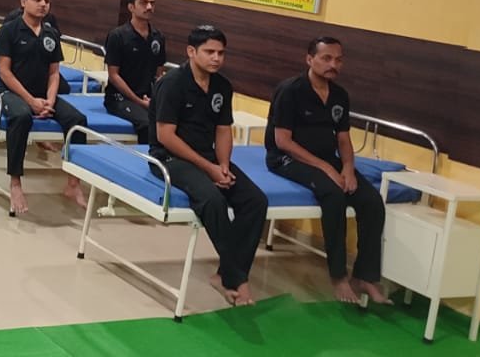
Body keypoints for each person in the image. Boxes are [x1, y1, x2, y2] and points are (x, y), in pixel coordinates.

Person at [265, 37, 390, 306]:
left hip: (326, 158)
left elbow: (343, 139)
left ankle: (365, 276)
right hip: (286, 158)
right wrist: (325, 168)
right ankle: (338, 276)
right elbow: (282, 141)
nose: (333, 64)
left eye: (338, 60)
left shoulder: (339, 95)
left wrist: (348, 168)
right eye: (326, 58)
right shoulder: (290, 91)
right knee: (333, 194)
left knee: (372, 201)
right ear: (310, 59)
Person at [150, 25, 267, 306]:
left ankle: (224, 274)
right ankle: (237, 279)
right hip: (169, 158)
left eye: (221, 53)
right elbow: (166, 136)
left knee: (255, 201)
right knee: (212, 200)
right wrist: (209, 168)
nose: (216, 58)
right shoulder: (172, 83)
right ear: (191, 52)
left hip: (209, 157)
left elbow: (223, 130)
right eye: (209, 52)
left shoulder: (222, 86)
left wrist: (223, 164)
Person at [0, 0, 89, 215]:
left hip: (43, 95)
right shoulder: (9, 31)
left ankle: (73, 183)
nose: (43, 4)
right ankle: (15, 183)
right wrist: (31, 101)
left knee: (78, 120)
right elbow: (5, 72)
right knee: (21, 117)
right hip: (11, 93)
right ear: (23, 1)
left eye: (47, 1)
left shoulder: (51, 33)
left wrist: (49, 100)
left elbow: (54, 73)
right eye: (37, 0)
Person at [103, 0, 166, 145]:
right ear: (131, 7)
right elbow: (114, 76)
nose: (149, 7)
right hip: (120, 98)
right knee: (147, 124)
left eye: (152, 3)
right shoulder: (118, 36)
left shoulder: (158, 37)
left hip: (148, 97)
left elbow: (159, 74)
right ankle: (147, 159)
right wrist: (138, 101)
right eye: (144, 3)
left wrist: (156, 98)